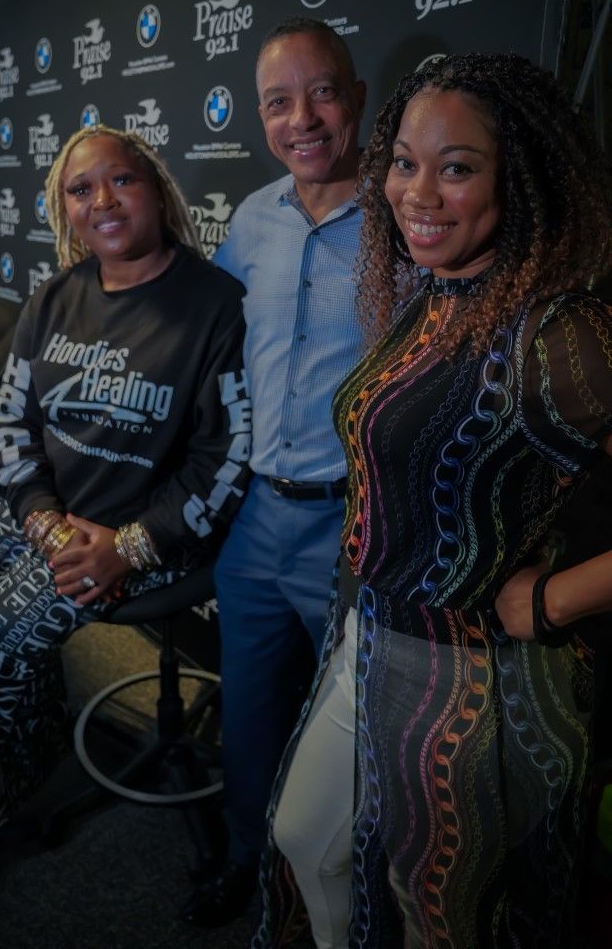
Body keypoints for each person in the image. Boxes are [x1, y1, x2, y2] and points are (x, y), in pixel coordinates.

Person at [257, 52, 612, 948]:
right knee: (306, 837)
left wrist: (552, 598)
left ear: (518, 175)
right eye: (404, 163)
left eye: (455, 168)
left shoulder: (557, 331)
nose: (416, 193)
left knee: (439, 916)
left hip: (471, 686)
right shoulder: (440, 292)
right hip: (373, 640)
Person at [0, 124, 249, 877]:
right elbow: (9, 417)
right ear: (66, 211)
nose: (103, 200)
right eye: (81, 189)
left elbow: (226, 460)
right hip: (44, 516)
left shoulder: (216, 305)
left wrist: (128, 546)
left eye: (120, 180)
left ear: (156, 188)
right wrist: (39, 518)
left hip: (143, 540)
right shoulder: (55, 297)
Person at [181, 17, 367, 926]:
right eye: (278, 101)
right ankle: (252, 872)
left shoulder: (411, 217)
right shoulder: (252, 219)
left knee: (354, 733)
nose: (302, 118)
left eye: (321, 91)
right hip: (256, 519)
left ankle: (344, 892)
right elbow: (215, 348)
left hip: (355, 528)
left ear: (358, 97)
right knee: (249, 716)